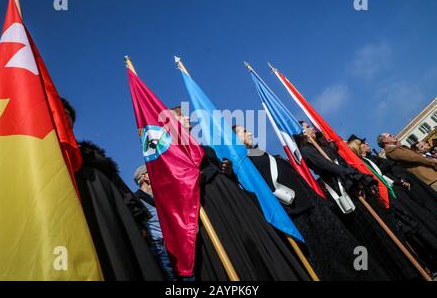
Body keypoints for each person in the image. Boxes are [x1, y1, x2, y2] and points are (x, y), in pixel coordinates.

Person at [170, 106, 310, 281]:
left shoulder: (205, 148)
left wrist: (226, 171)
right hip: (211, 208)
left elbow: (223, 171)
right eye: (182, 117)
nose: (188, 119)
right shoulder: (173, 158)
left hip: (232, 200)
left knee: (256, 243)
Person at [233, 125, 385, 281]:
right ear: (234, 139)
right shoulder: (243, 165)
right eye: (243, 132)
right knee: (330, 263)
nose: (250, 132)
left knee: (347, 250)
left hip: (313, 205)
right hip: (296, 217)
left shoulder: (261, 153)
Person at [296, 123, 420, 280]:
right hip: (348, 191)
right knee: (377, 234)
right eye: (307, 127)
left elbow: (341, 162)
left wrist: (361, 178)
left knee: (388, 227)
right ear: (300, 133)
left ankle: (413, 268)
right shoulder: (307, 150)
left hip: (356, 184)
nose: (312, 128)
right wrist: (352, 176)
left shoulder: (320, 145)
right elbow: (330, 167)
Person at [61, 98, 164, 281]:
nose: (66, 116)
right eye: (61, 111)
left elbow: (122, 192)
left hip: (115, 220)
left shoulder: (94, 156)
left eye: (68, 113)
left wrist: (139, 223)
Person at [348, 137, 437, 275]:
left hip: (398, 190)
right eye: (362, 144)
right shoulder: (362, 164)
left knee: (422, 217)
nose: (366, 144)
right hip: (391, 197)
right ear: (357, 148)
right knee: (415, 225)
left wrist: (401, 179)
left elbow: (388, 169)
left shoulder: (371, 158)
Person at [133, 165, 177, 281]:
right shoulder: (135, 200)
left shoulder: (164, 195)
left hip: (178, 245)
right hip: (160, 248)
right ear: (145, 176)